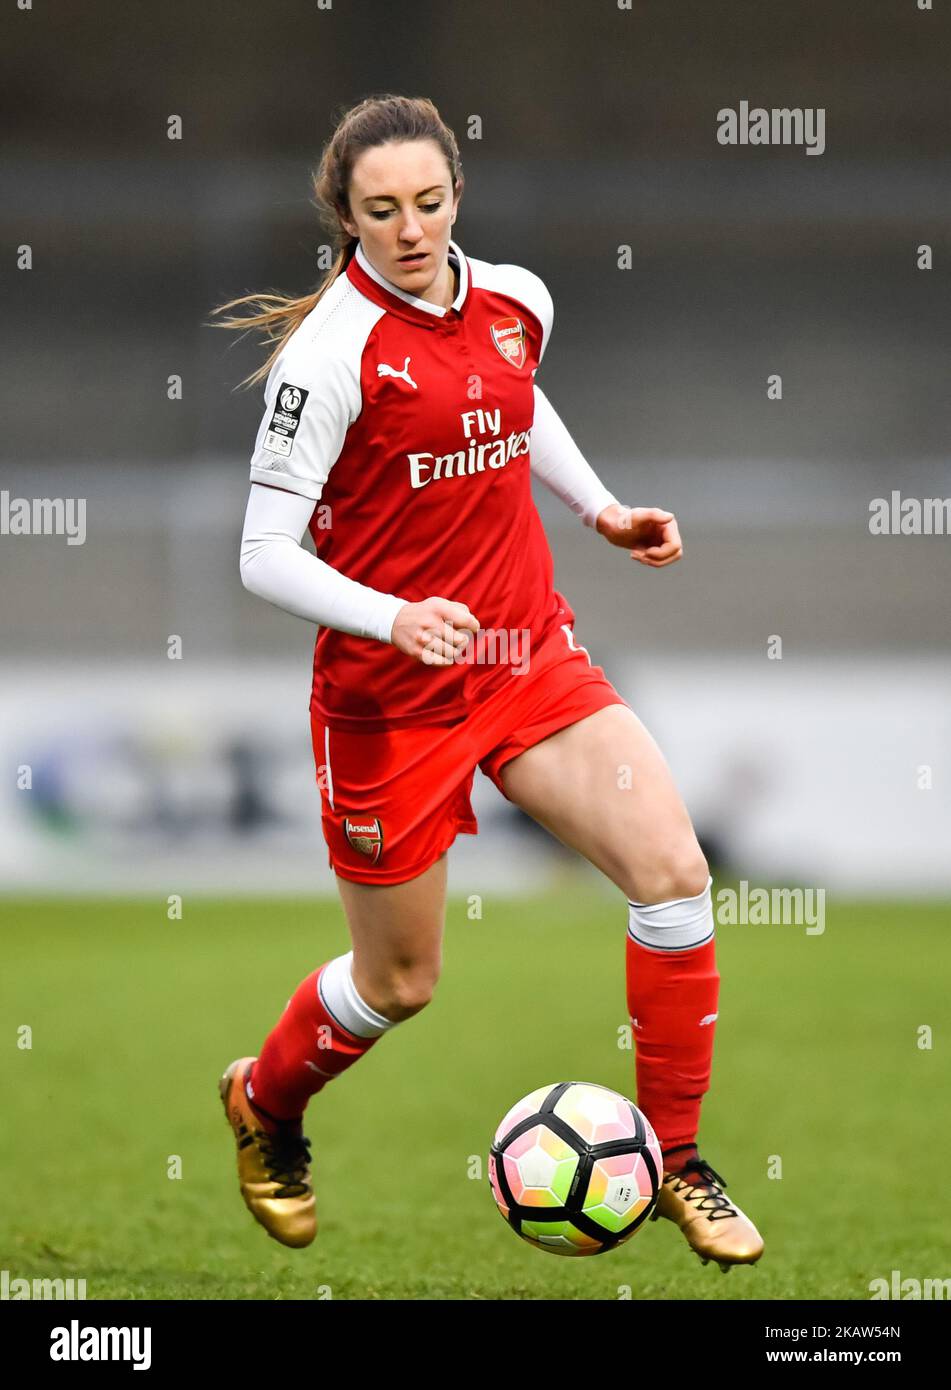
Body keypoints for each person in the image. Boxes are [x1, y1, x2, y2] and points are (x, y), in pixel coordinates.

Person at [213, 93, 763, 1272]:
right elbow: (260, 556)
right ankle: (266, 1099)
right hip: (386, 698)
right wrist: (394, 616)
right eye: (380, 211)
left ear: (457, 192)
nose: (409, 228)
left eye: (428, 201)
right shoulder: (328, 359)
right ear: (344, 218)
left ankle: (675, 1158)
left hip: (522, 655)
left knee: (673, 875)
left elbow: (516, 408)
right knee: (400, 981)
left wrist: (602, 508)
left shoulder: (518, 299)